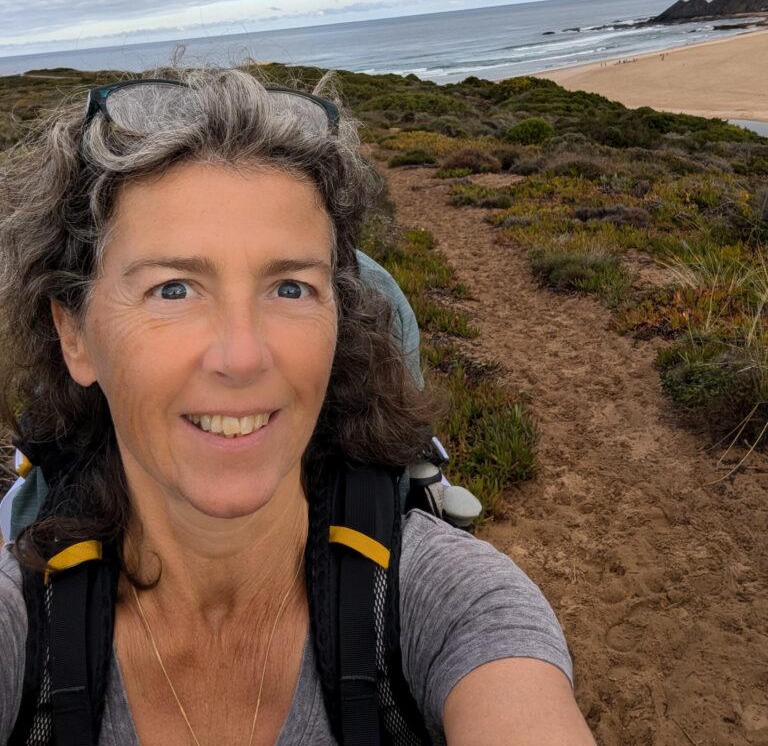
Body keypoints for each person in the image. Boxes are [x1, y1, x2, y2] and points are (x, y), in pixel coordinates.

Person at [0, 68, 596, 745]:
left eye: (290, 288)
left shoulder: (455, 605)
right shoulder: (20, 627)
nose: (243, 356)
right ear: (74, 333)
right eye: (173, 290)